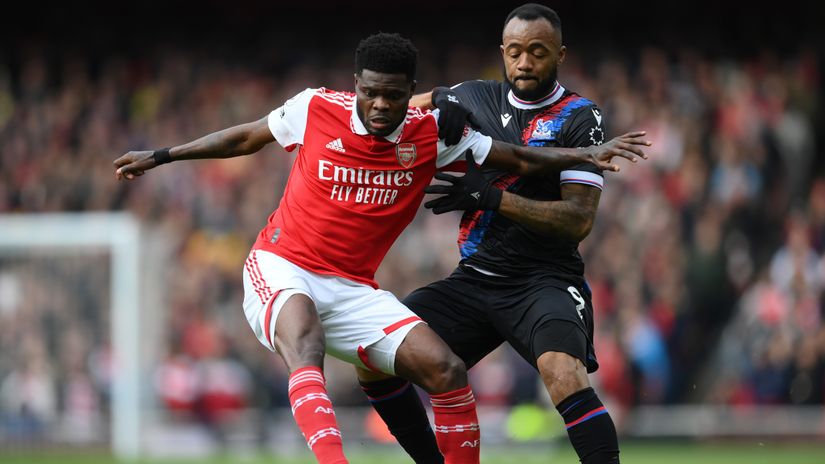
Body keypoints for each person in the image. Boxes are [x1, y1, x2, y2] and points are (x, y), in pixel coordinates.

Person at [114, 32, 648, 464]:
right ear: (356, 85)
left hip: (357, 287)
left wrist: (590, 153)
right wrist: (163, 155)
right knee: (305, 339)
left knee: (446, 369)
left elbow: (521, 160)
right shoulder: (316, 108)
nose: (379, 104)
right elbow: (245, 138)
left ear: (408, 90)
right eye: (370, 91)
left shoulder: (432, 135)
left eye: (393, 94)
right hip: (283, 263)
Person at [357, 5, 631, 464]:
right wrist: (436, 103)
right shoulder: (473, 95)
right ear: (502, 53)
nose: (525, 62)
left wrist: (493, 198)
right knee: (373, 360)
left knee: (562, 373)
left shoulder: (581, 117)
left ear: (559, 55)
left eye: (538, 52)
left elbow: (578, 220)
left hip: (544, 279)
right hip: (474, 279)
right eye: (516, 52)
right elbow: (403, 103)